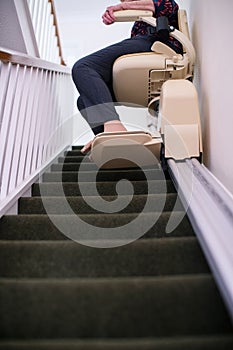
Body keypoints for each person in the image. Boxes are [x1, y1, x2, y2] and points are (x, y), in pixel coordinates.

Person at [72, 0, 182, 153]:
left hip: (158, 44)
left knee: (83, 67)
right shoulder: (138, 24)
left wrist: (119, 8)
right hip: (144, 51)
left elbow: (155, 6)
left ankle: (114, 127)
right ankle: (111, 142)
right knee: (84, 101)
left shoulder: (165, 3)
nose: (125, 2)